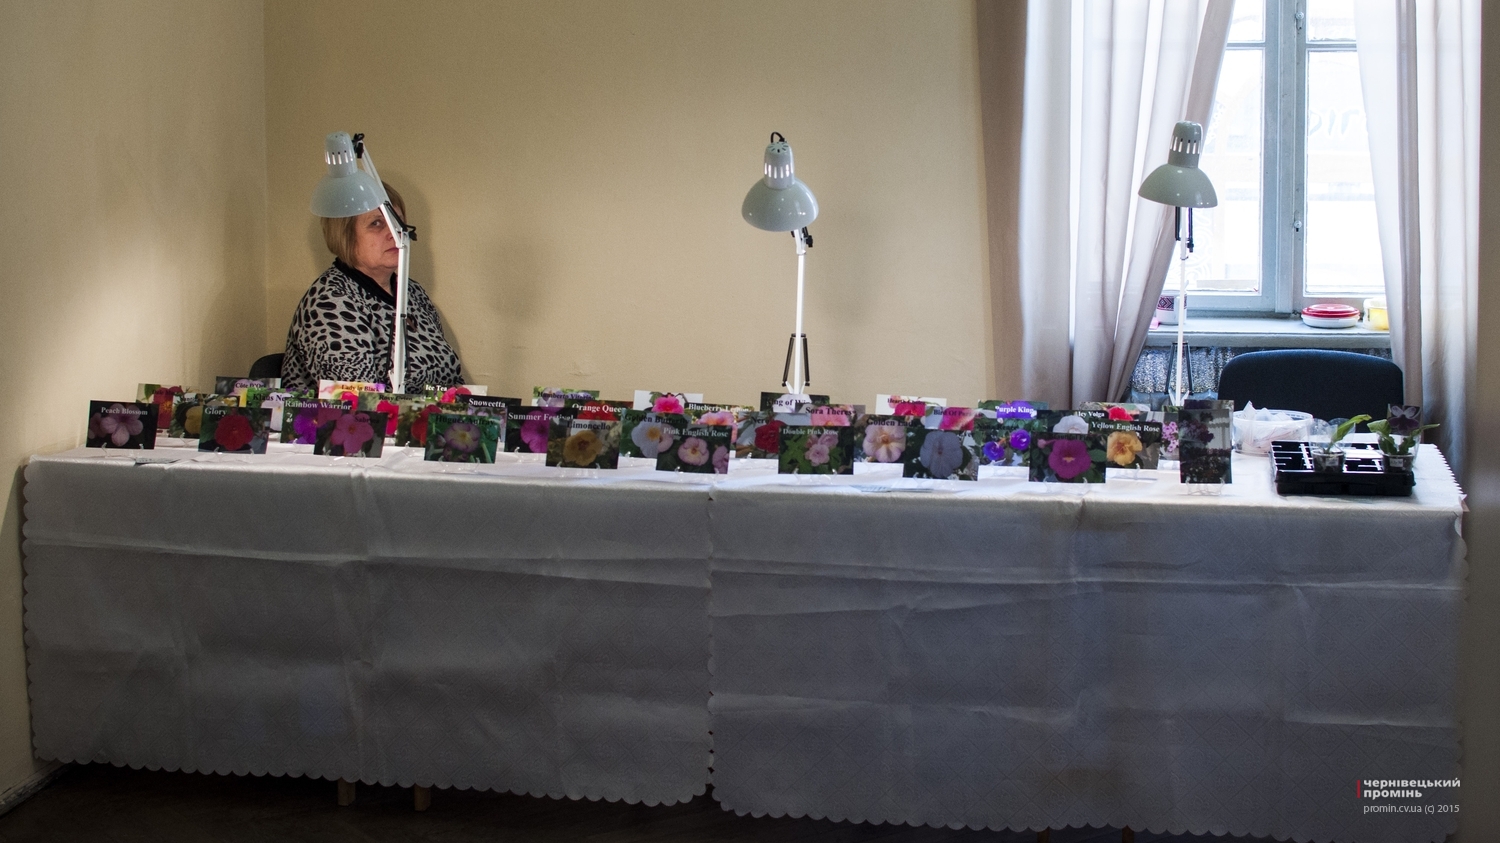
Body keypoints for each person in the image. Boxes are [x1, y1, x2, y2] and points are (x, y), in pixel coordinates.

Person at [281, 182, 464, 394]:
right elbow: (358, 401)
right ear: (345, 235)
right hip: (360, 415)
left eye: (398, 222)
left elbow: (451, 381)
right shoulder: (330, 301)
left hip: (427, 414)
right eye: (377, 223)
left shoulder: (412, 292)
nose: (394, 233)